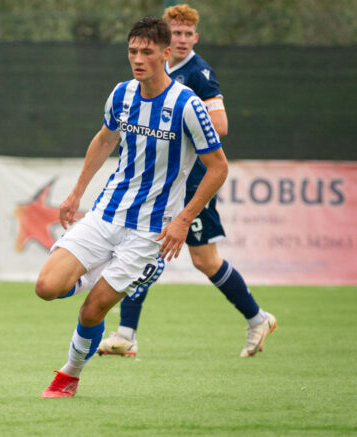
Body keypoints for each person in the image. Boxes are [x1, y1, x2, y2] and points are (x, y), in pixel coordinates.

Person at [36, 16, 228, 398]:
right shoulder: (122, 94)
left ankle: (69, 374)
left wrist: (183, 221)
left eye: (147, 52)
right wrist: (76, 193)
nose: (138, 59)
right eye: (133, 51)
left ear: (166, 53)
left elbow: (218, 168)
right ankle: (94, 275)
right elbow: (105, 139)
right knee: (46, 287)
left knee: (92, 311)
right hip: (106, 214)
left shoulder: (187, 104)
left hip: (149, 232)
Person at [97, 4, 276, 359]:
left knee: (204, 260)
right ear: (165, 39)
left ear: (196, 37)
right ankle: (127, 333)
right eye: (175, 33)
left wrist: (183, 121)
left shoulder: (199, 73)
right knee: (147, 245)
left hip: (191, 183)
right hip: (160, 184)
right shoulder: (154, 71)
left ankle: (258, 318)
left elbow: (220, 126)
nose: (181, 39)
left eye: (187, 34)